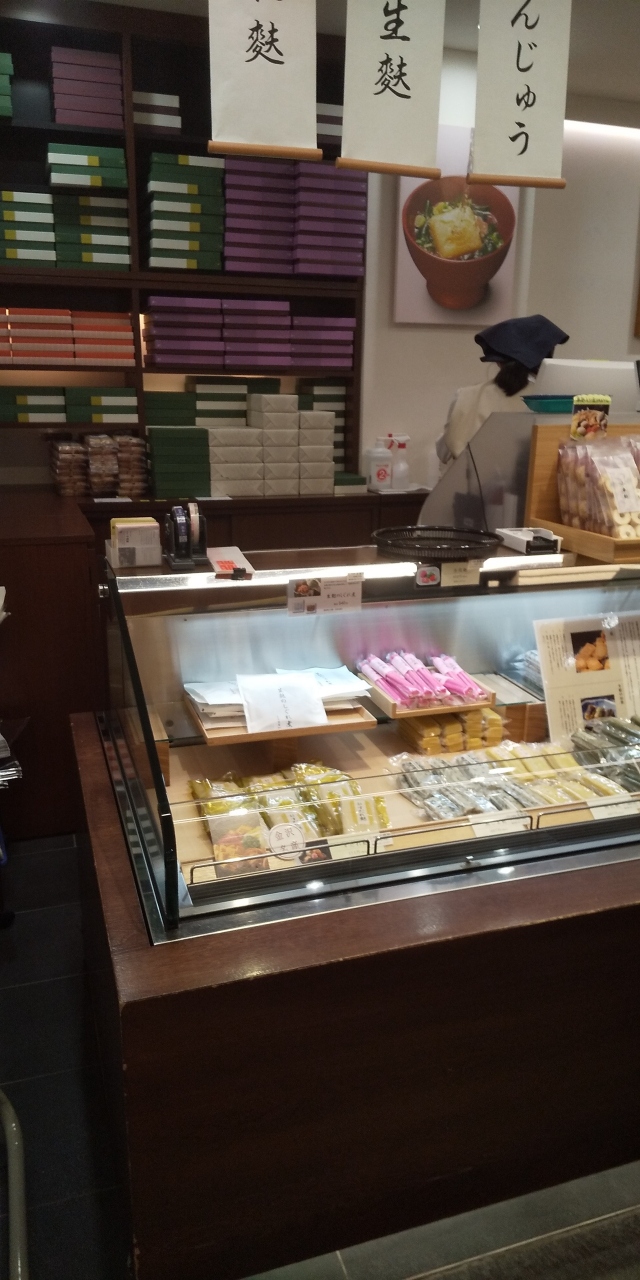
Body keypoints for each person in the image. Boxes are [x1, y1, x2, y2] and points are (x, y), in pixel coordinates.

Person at [435, 314, 570, 469]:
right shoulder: (556, 401)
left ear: (498, 362)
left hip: (471, 482)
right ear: (547, 357)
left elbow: (444, 452)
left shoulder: (465, 396)